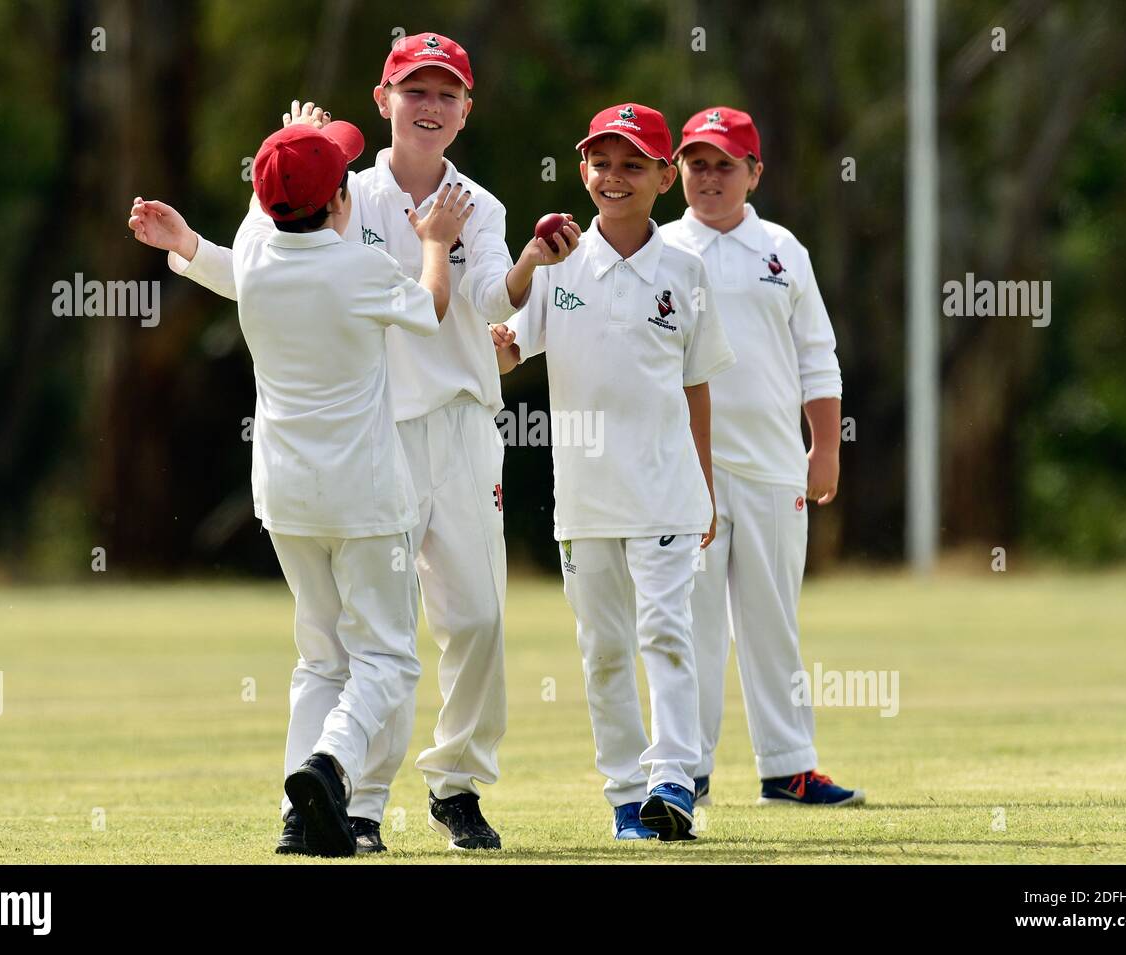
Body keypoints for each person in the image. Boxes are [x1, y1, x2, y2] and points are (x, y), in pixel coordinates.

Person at [128, 33, 579, 852]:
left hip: (462, 422)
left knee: (475, 617)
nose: (431, 106)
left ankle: (456, 783)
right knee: (381, 633)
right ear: (383, 101)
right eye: (416, 91)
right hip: (376, 434)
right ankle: (360, 803)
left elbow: (482, 301)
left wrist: (530, 263)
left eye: (448, 94)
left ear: (467, 110)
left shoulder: (477, 200)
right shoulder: (347, 190)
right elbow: (265, 268)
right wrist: (193, 248)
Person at [134, 114, 469, 855]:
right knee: (387, 658)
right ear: (344, 199)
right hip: (366, 496)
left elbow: (236, 251)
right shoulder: (360, 268)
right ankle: (329, 764)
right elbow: (433, 307)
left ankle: (298, 813)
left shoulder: (256, 253)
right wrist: (436, 243)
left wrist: (185, 244)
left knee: (321, 656)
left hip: (285, 497)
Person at [493, 103, 735, 841]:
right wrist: (495, 334)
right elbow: (507, 353)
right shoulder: (558, 263)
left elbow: (697, 387)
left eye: (633, 164)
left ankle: (673, 779)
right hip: (586, 496)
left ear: (666, 175)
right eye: (602, 162)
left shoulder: (686, 271)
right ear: (582, 170)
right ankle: (629, 797)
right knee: (602, 650)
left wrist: (706, 488)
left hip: (665, 490)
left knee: (665, 632)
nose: (614, 177)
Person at [660, 106, 864, 808]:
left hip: (776, 466)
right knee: (692, 624)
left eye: (724, 165)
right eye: (697, 164)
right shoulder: (659, 249)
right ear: (677, 170)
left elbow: (818, 355)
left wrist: (826, 446)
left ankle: (789, 766)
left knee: (773, 619)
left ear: (754, 172)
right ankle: (685, 769)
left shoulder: (783, 249)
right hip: (689, 473)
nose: (710, 178)